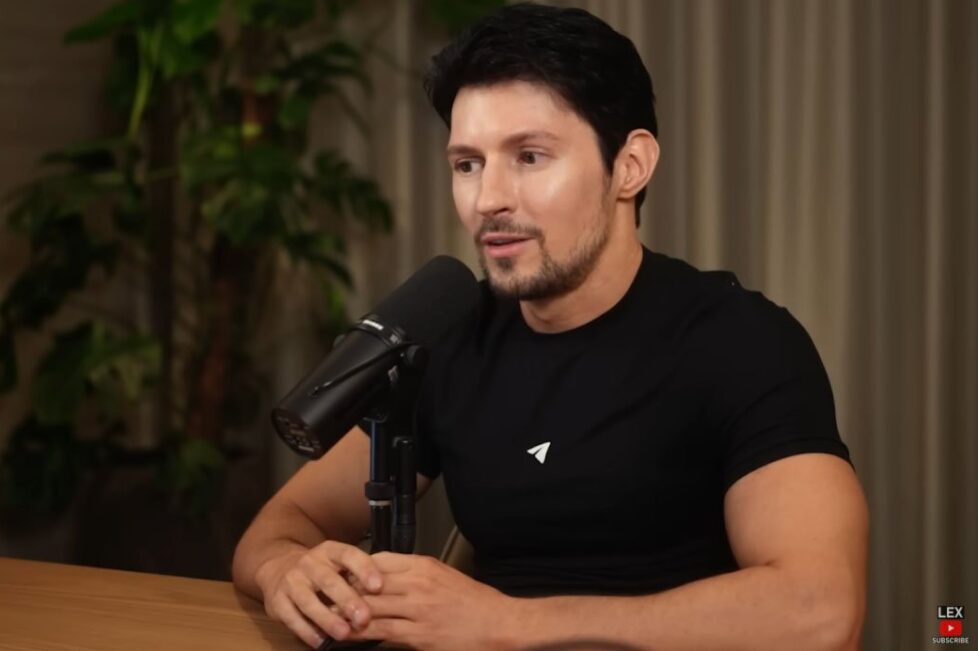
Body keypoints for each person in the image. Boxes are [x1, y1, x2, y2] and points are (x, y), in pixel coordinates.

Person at [231, 4, 869, 650]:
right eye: (467, 164)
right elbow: (284, 523)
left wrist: (507, 624)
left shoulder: (741, 342)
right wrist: (286, 569)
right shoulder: (454, 335)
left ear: (630, 166)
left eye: (530, 156)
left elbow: (821, 611)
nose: (488, 199)